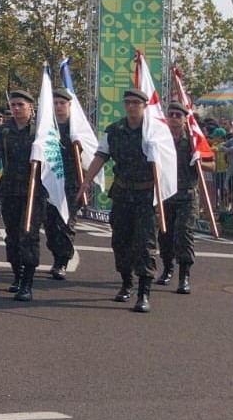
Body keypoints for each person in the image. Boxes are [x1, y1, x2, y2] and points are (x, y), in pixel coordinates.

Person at [79, 88, 161, 314]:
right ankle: (126, 283)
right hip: (123, 195)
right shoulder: (115, 130)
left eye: (136, 102)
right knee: (120, 242)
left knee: (145, 244)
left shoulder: (155, 132)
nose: (131, 106)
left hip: (146, 197)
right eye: (128, 102)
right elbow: (101, 156)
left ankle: (144, 292)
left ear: (145, 105)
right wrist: (87, 181)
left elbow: (168, 162)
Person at [0, 90, 47, 302]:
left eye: (20, 104)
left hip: (34, 191)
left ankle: (28, 284)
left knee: (28, 235)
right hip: (10, 189)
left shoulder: (41, 132)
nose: (16, 108)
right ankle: (17, 276)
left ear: (31, 106)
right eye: (13, 105)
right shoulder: (2, 131)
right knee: (12, 236)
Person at [158, 103, 214, 294]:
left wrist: (199, 161)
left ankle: (184, 276)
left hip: (187, 196)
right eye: (171, 114)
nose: (173, 118)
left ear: (184, 119)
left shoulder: (193, 140)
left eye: (177, 115)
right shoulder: (161, 139)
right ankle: (167, 269)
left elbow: (212, 165)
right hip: (166, 195)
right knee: (165, 236)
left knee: (184, 235)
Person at [44, 89, 82, 280]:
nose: (59, 106)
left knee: (65, 223)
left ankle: (62, 261)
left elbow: (91, 154)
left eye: (62, 103)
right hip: (50, 182)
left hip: (71, 183)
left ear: (69, 105)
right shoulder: (46, 127)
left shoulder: (78, 129)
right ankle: (56, 255)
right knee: (50, 225)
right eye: (56, 103)